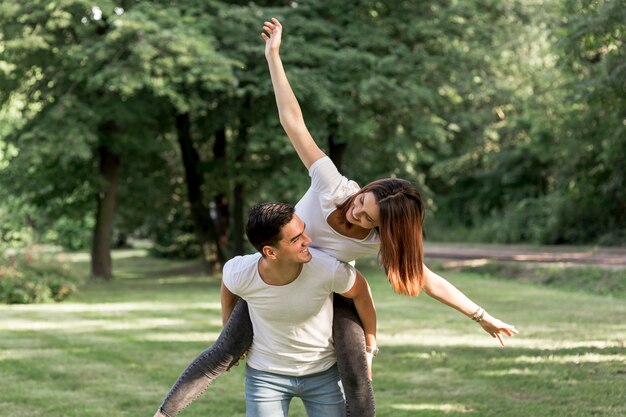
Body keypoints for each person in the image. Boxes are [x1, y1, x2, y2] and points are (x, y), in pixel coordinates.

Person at [153, 17, 518, 417]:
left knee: (359, 374)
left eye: (368, 218)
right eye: (363, 200)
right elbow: (294, 123)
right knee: (225, 347)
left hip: (331, 285)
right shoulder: (333, 184)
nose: (357, 211)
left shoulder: (379, 240)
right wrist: (273, 57)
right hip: (282, 273)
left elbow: (427, 280)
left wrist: (482, 317)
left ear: (384, 228)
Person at [223, 202, 376, 417]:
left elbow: (361, 291)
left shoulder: (326, 268)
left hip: (323, 373)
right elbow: (228, 285)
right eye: (296, 239)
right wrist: (227, 331)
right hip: (265, 375)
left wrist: (370, 344)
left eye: (303, 230)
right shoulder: (241, 271)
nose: (308, 241)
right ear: (270, 252)